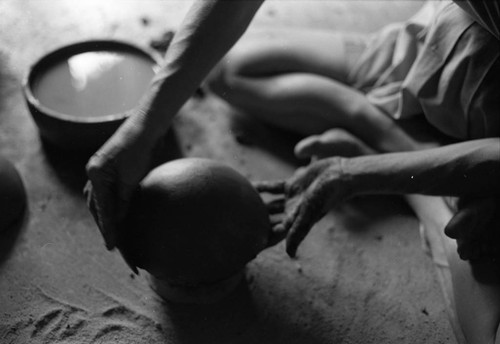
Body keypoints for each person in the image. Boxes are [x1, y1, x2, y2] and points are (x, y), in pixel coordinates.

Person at [85, 0, 499, 341]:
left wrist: (361, 173)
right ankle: (389, 135)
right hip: (458, 38)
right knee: (234, 69)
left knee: (480, 286)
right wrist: (143, 127)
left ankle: (424, 189)